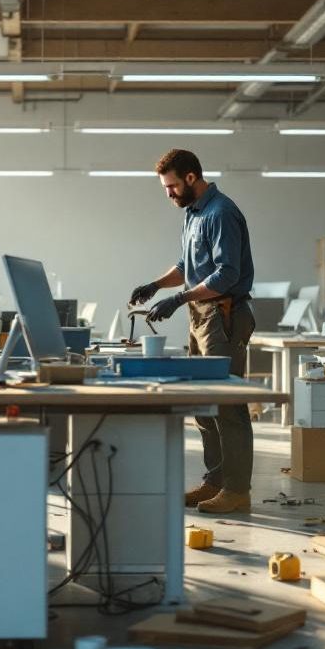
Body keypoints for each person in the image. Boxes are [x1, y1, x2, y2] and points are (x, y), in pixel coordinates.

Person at [128, 149, 256, 514]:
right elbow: (189, 266)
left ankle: (237, 490)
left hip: (224, 315)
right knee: (204, 406)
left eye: (170, 187)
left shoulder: (221, 213)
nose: (168, 194)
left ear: (190, 177)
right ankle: (214, 482)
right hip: (202, 315)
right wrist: (156, 285)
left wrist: (179, 299)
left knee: (227, 405)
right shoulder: (193, 214)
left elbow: (226, 275)